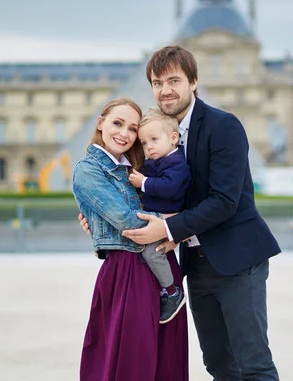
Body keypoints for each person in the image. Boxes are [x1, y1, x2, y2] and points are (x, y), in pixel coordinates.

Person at [119, 46, 283, 380]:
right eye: (157, 82)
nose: (165, 90)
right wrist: (98, 215)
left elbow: (226, 200)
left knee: (253, 365)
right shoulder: (156, 136)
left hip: (237, 260)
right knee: (219, 365)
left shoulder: (224, 126)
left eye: (174, 80)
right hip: (197, 264)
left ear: (194, 82)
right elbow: (143, 191)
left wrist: (166, 230)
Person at [72, 98, 189, 381]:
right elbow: (126, 220)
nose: (125, 133)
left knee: (166, 358)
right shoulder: (88, 169)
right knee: (132, 360)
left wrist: (175, 223)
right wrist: (177, 223)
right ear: (100, 123)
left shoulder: (140, 166)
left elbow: (180, 193)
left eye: (132, 128)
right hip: (127, 269)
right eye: (117, 123)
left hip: (162, 264)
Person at [128, 108, 191, 324]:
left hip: (165, 217)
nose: (149, 147)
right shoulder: (157, 161)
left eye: (154, 139)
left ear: (174, 138)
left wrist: (143, 182)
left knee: (152, 253)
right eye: (144, 143)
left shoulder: (177, 162)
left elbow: (170, 187)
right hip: (155, 214)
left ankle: (172, 292)